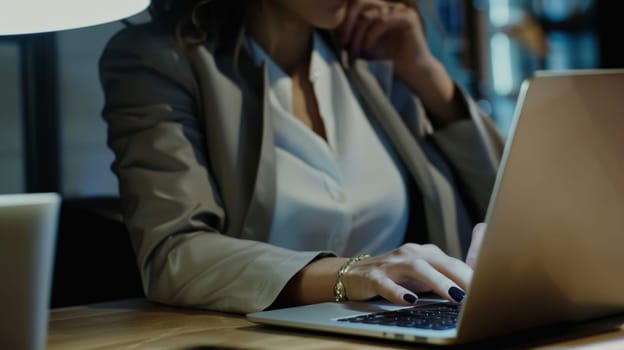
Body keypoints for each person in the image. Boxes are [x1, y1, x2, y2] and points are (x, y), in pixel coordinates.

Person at [99, 0, 503, 313]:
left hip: (403, 327)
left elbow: (507, 207)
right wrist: (349, 274)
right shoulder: (159, 61)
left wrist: (427, 75)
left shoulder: (368, 52)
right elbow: (174, 256)